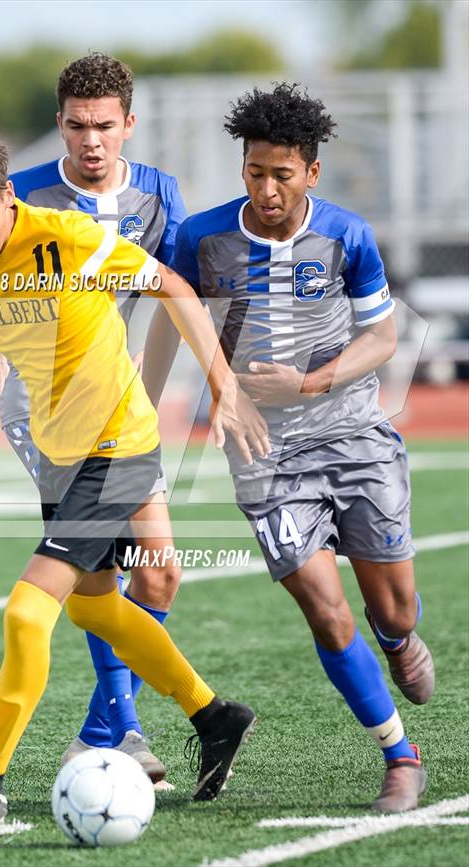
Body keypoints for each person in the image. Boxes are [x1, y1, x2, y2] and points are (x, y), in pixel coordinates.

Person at [0, 120, 268, 828]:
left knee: (27, 611)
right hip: (59, 447)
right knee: (93, 606)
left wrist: (222, 385)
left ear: (5, 195)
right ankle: (214, 714)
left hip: (115, 442)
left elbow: (170, 283)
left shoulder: (69, 239)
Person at [169, 83, 434, 814]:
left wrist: (313, 380)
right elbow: (173, 302)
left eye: (282, 173)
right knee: (323, 607)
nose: (266, 187)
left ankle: (395, 635)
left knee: (398, 608)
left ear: (311, 172)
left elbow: (382, 335)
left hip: (352, 433)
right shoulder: (203, 237)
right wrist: (221, 385)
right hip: (264, 453)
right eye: (255, 171)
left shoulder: (346, 235)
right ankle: (399, 754)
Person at [0, 53, 188, 784]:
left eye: (104, 126)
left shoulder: (159, 192)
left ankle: (106, 726)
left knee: (158, 579)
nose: (91, 140)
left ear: (129, 123)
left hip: (120, 401)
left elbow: (172, 293)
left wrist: (151, 390)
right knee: (101, 566)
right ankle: (119, 729)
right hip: (47, 409)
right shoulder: (24, 195)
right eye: (75, 126)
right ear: (59, 125)